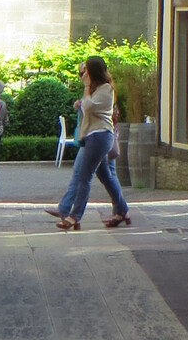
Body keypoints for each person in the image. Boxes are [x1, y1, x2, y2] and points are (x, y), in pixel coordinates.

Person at [49, 57, 129, 230]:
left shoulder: (106, 89)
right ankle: (122, 210)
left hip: (99, 137)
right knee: (106, 177)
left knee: (83, 177)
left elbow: (89, 106)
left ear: (93, 71)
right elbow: (86, 106)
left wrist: (86, 88)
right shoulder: (95, 89)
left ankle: (74, 217)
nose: (83, 74)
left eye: (85, 70)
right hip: (92, 137)